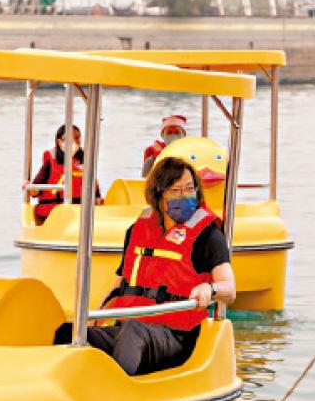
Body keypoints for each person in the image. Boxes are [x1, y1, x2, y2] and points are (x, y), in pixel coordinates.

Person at [60, 156, 236, 375]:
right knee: (68, 332)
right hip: (129, 328)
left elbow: (230, 288)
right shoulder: (138, 230)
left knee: (133, 332)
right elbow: (120, 284)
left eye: (190, 189)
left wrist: (210, 289)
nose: (185, 197)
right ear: (158, 194)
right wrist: (95, 318)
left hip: (176, 336)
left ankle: (118, 396)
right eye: (175, 190)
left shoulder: (208, 236)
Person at [27, 124, 100, 224]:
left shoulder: (85, 160)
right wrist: (30, 188)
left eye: (77, 138)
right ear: (59, 141)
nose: (74, 142)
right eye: (69, 139)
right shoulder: (51, 161)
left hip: (80, 212)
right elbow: (36, 190)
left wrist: (97, 198)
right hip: (53, 213)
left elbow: (94, 188)